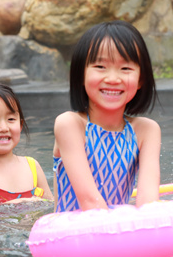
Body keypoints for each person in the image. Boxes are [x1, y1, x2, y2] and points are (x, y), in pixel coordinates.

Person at [53, 20, 161, 212]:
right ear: (81, 74)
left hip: (115, 225)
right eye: (100, 66)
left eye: (125, 68)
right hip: (74, 228)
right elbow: (90, 202)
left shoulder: (146, 131)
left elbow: (148, 202)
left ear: (140, 80)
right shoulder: (70, 125)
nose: (112, 79)